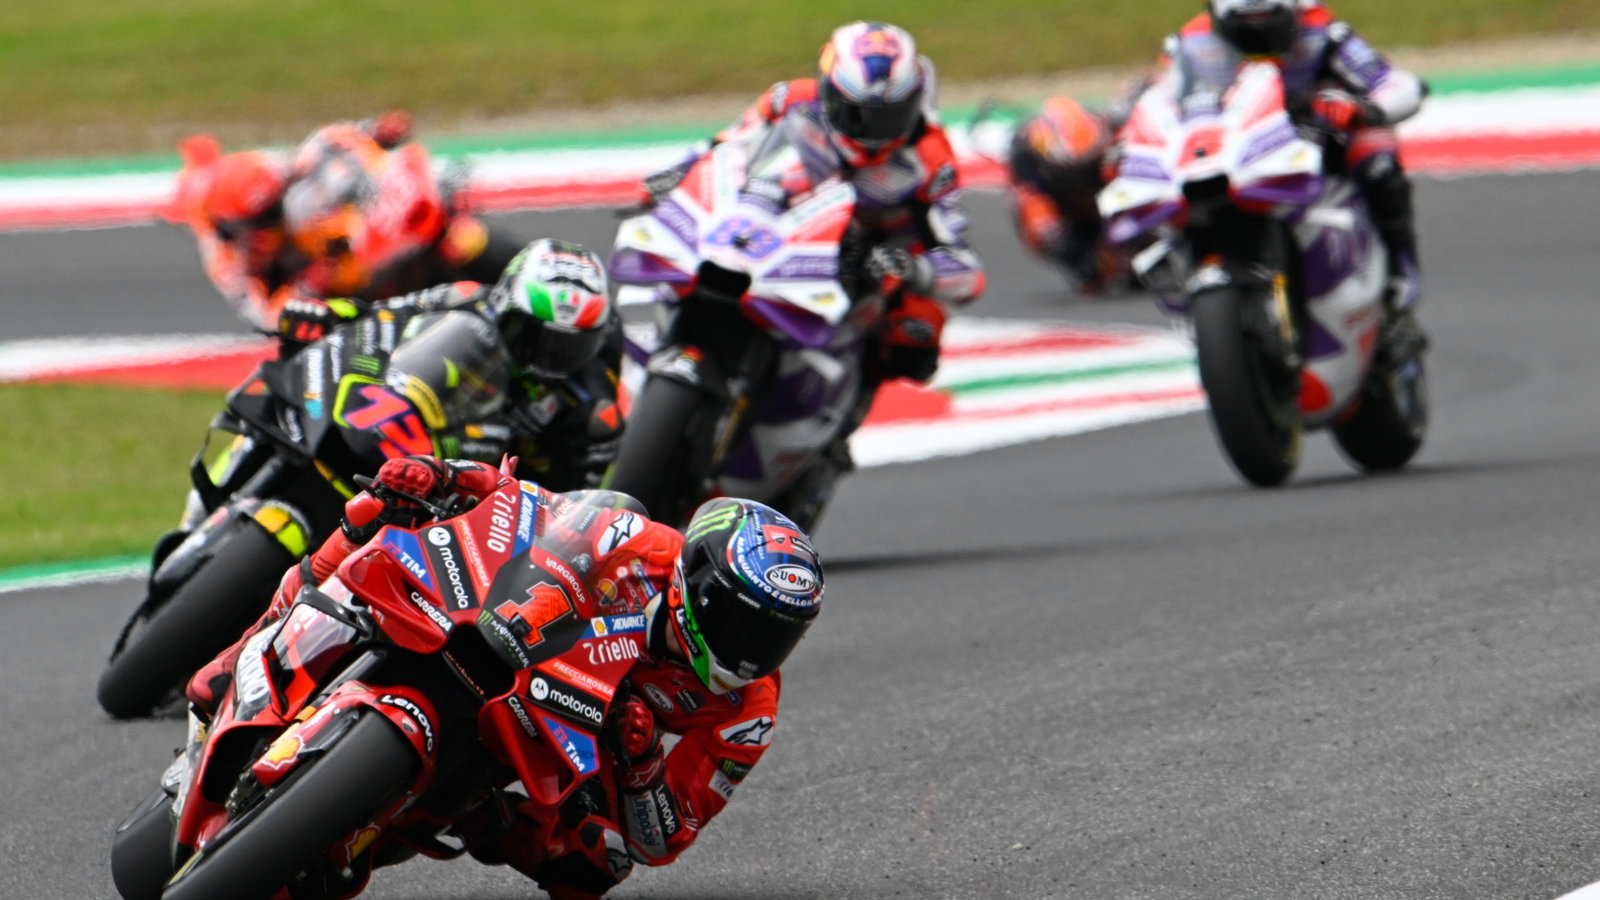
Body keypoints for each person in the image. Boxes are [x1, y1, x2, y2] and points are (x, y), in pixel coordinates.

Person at [186, 454, 825, 900]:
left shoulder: (748, 714)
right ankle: (246, 650)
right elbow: (533, 508)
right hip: (516, 635)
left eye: (776, 637)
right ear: (699, 580)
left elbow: (665, 836)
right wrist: (448, 476)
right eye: (744, 624)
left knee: (600, 863)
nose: (752, 652)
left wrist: (639, 767)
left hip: (578, 740)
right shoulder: (642, 543)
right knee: (374, 513)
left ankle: (453, 814)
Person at [637, 20, 985, 525]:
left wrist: (913, 268)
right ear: (828, 89)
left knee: (913, 344)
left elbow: (961, 260)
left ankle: (830, 442)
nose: (866, 129)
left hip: (873, 266)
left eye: (885, 116)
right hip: (782, 235)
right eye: (854, 111)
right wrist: (679, 174)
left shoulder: (931, 158)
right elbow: (723, 149)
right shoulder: (786, 101)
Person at [1152, 0, 1428, 357]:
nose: (1257, 36)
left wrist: (1361, 108)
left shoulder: (1323, 31)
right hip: (1234, 148)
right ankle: (1181, 261)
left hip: (1318, 138)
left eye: (1267, 24)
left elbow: (1396, 85)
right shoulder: (1189, 43)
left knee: (1378, 161)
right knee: (1169, 182)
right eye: (1245, 27)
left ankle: (1398, 268)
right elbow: (1155, 100)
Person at [172, 111, 518, 331]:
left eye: (276, 205)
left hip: (344, 248)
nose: (276, 216)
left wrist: (376, 131)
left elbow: (327, 143)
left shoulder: (279, 173)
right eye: (266, 216)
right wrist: (312, 284)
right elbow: (266, 318)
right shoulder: (225, 259)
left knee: (454, 234)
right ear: (238, 226)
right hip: (329, 302)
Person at [1006, 96, 1119, 294]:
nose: (1077, 175)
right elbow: (1029, 205)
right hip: (1061, 204)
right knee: (1043, 227)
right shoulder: (1025, 156)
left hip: (1104, 190)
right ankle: (1085, 264)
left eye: (1086, 166)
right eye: (1069, 170)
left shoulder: (1106, 130)